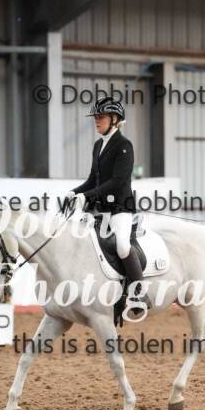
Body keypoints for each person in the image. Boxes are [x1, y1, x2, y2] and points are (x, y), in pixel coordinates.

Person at [65, 96, 151, 313]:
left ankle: (139, 293)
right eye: (95, 117)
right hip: (100, 211)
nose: (96, 120)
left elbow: (117, 181)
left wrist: (86, 196)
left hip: (120, 209)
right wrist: (75, 192)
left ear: (114, 119)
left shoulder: (124, 146)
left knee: (122, 246)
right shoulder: (98, 146)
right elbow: (92, 180)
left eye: (101, 117)